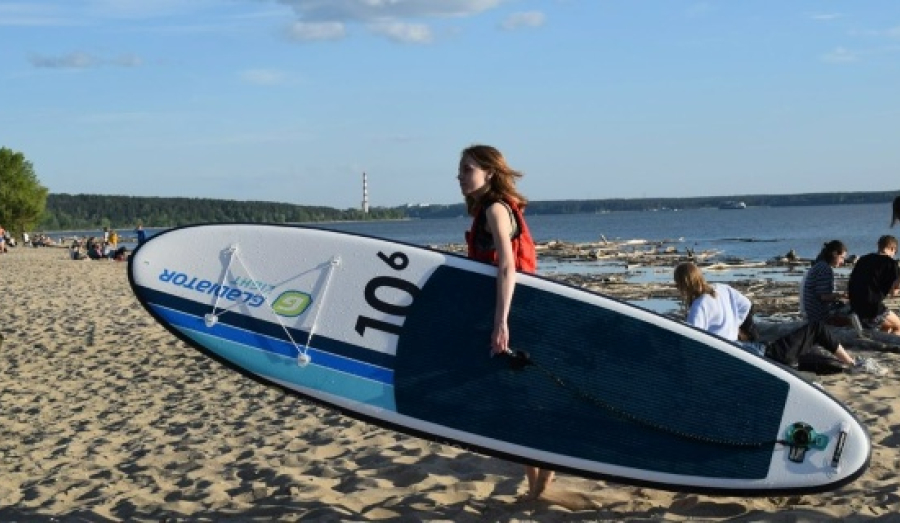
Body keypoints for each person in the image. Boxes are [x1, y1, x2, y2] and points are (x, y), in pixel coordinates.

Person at [457, 144, 549, 500]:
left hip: (517, 313)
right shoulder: (487, 210)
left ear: (489, 173)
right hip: (511, 312)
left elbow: (508, 266)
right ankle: (536, 490)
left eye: (467, 169)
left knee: (525, 406)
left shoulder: (496, 209)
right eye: (460, 170)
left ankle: (540, 490)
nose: (461, 177)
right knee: (518, 407)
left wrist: (501, 322)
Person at [674, 262, 856, 368]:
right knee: (809, 349)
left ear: (683, 284)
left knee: (815, 330)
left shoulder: (699, 306)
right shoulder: (721, 289)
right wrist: (736, 326)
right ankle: (847, 362)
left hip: (755, 355)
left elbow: (691, 341)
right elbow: (746, 305)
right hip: (749, 350)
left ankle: (850, 363)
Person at [848, 235, 900, 333]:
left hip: (854, 305)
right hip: (872, 309)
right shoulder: (890, 263)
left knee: (887, 327)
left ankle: (884, 342)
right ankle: (894, 346)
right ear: (892, 249)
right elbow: (894, 292)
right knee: (898, 325)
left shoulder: (863, 259)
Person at [801, 240, 851, 326]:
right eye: (842, 257)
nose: (843, 261)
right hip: (819, 315)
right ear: (835, 254)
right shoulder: (825, 269)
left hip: (811, 312)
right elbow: (824, 297)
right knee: (855, 309)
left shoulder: (818, 265)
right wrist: (841, 295)